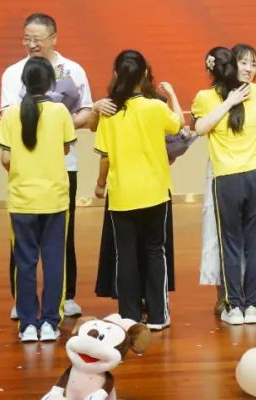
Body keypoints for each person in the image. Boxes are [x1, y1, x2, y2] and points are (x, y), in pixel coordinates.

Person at [0, 13, 94, 319]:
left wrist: (59, 122)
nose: (31, 44)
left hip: (63, 165)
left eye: (37, 39)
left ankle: (67, 297)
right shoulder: (13, 73)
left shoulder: (73, 70)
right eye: (26, 38)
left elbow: (87, 113)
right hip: (25, 166)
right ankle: (21, 301)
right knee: (21, 241)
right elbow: (9, 117)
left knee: (64, 236)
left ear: (54, 38)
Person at [93, 50, 184, 330]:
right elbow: (179, 123)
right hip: (155, 192)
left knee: (126, 256)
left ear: (116, 75)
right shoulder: (156, 107)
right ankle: (157, 316)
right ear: (144, 74)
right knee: (156, 252)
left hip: (122, 195)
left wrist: (99, 184)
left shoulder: (110, 113)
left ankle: (129, 316)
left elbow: (105, 157)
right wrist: (173, 95)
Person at [187, 47, 256, 314]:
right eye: (244, 62)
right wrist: (230, 101)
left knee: (238, 244)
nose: (249, 68)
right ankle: (247, 306)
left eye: (253, 63)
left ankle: (241, 306)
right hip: (246, 176)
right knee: (248, 244)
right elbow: (200, 128)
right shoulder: (214, 96)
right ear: (232, 65)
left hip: (240, 175)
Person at [0, 57, 76, 342]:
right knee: (54, 262)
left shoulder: (10, 114)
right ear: (51, 82)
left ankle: (28, 324)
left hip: (21, 200)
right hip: (55, 198)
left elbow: (5, 157)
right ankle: (50, 323)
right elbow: (65, 149)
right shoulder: (60, 111)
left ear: (24, 82)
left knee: (24, 263)